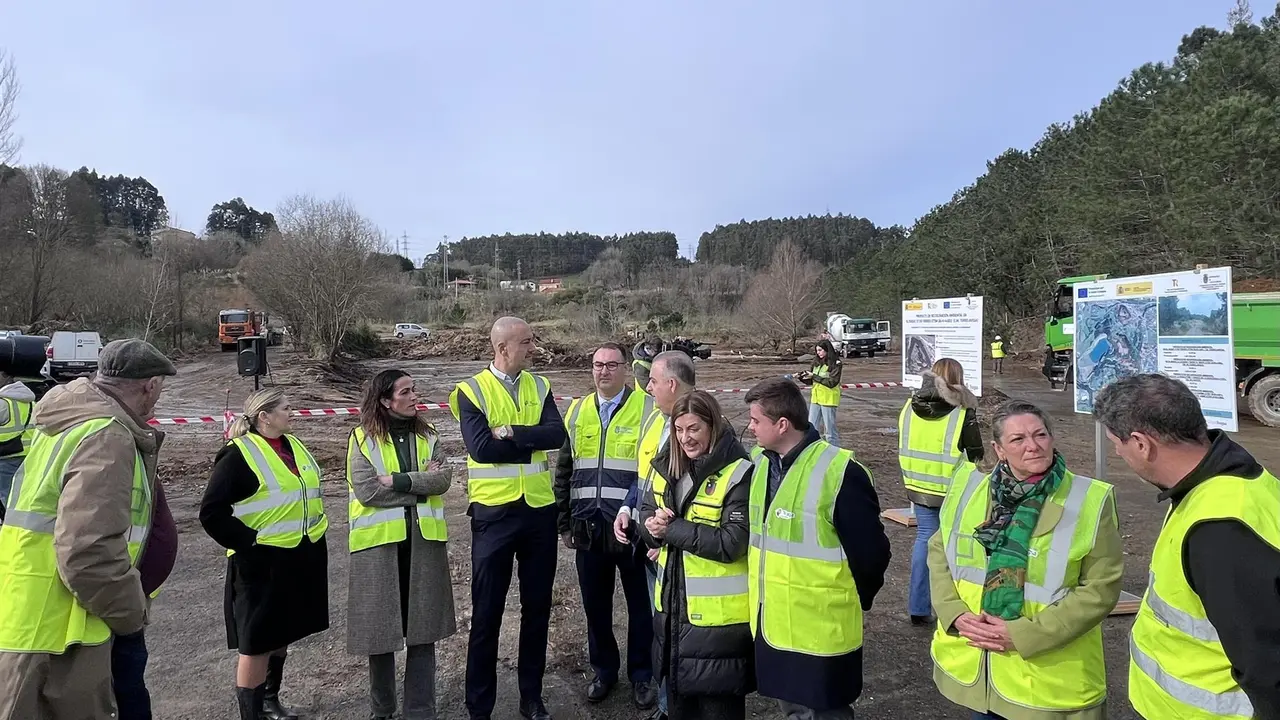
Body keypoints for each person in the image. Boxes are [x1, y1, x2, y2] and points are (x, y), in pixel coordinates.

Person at [0, 338, 179, 720]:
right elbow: (86, 552)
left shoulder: (70, 423)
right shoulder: (105, 435)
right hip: (63, 625)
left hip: (41, 610)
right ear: (150, 385)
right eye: (160, 387)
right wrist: (130, 612)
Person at [1093, 374, 1280, 720]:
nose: (1117, 452)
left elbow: (1268, 669)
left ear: (1141, 443)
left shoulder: (1219, 531)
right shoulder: (1224, 483)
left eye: (1115, 443)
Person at [928, 400, 1122, 720]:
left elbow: (1100, 589)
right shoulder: (969, 487)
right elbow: (940, 552)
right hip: (981, 671)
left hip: (1048, 686)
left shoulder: (1089, 498)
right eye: (1018, 439)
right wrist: (954, 614)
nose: (1033, 446)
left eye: (1040, 435)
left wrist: (1023, 635)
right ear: (999, 449)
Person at [744, 377, 892, 719]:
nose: (750, 428)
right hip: (774, 623)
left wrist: (856, 598)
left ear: (782, 425)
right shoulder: (759, 463)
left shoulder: (840, 471)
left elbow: (872, 554)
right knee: (792, 709)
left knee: (826, 711)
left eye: (755, 421)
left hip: (821, 629)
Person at [449, 316, 568, 720]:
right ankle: (479, 706)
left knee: (537, 610)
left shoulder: (540, 385)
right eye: (527, 342)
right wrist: (528, 439)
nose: (533, 348)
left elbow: (557, 436)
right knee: (487, 614)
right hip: (494, 516)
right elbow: (481, 449)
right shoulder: (470, 391)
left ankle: (531, 699)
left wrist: (511, 434)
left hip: (537, 514)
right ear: (503, 348)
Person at [200, 388, 330, 720]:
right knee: (256, 643)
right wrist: (249, 541)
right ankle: (253, 714)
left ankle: (271, 702)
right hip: (259, 564)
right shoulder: (238, 454)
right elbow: (212, 512)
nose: (293, 413)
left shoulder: (293, 445)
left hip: (299, 556)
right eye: (286, 409)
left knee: (281, 632)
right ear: (265, 417)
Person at [346, 369, 456, 720]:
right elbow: (367, 491)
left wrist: (397, 480)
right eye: (406, 392)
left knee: (423, 633)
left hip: (424, 545)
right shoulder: (362, 438)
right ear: (385, 400)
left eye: (415, 390)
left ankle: (421, 713)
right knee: (379, 636)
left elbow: (442, 480)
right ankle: (383, 711)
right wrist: (418, 490)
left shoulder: (429, 434)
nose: (414, 397)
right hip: (377, 549)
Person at [639, 390, 754, 720]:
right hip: (673, 619)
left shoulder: (738, 473)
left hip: (718, 628)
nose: (685, 438)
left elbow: (732, 543)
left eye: (693, 429)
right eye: (678, 429)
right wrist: (650, 526)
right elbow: (648, 514)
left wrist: (670, 530)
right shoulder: (667, 465)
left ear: (712, 426)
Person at [554, 343, 657, 708]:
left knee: (641, 608)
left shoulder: (646, 408)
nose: (604, 371)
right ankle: (604, 671)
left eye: (612, 365)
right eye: (598, 364)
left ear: (625, 369)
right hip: (588, 528)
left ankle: (643, 676)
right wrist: (564, 523)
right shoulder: (579, 410)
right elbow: (565, 468)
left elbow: (650, 470)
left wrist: (637, 515)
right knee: (596, 608)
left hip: (631, 528)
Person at [613, 349, 697, 720]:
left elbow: (697, 498)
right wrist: (628, 509)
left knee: (680, 636)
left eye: (653, 381)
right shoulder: (657, 422)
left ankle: (673, 707)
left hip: (672, 551)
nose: (647, 387)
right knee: (661, 631)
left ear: (672, 384)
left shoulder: (697, 428)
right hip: (650, 542)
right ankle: (666, 704)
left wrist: (665, 540)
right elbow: (644, 479)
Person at [898, 358, 984, 626]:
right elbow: (977, 453)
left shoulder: (908, 408)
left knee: (925, 540)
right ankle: (956, 605)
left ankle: (918, 605)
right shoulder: (961, 413)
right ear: (958, 379)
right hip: (952, 489)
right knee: (957, 546)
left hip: (918, 486)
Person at [0, 371, 35, 524]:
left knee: (6, 498)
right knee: (20, 497)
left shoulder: (3, 403)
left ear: (5, 376)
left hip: (6, 458)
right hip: (28, 457)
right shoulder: (31, 402)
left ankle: (12, 528)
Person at [795, 338, 842, 445]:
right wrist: (802, 377)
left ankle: (834, 452)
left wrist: (814, 376)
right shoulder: (816, 363)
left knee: (829, 430)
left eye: (820, 350)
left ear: (827, 350)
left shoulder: (836, 363)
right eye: (817, 350)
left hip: (829, 400)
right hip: (816, 399)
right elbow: (812, 381)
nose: (818, 353)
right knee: (812, 427)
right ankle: (812, 449)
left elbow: (832, 382)